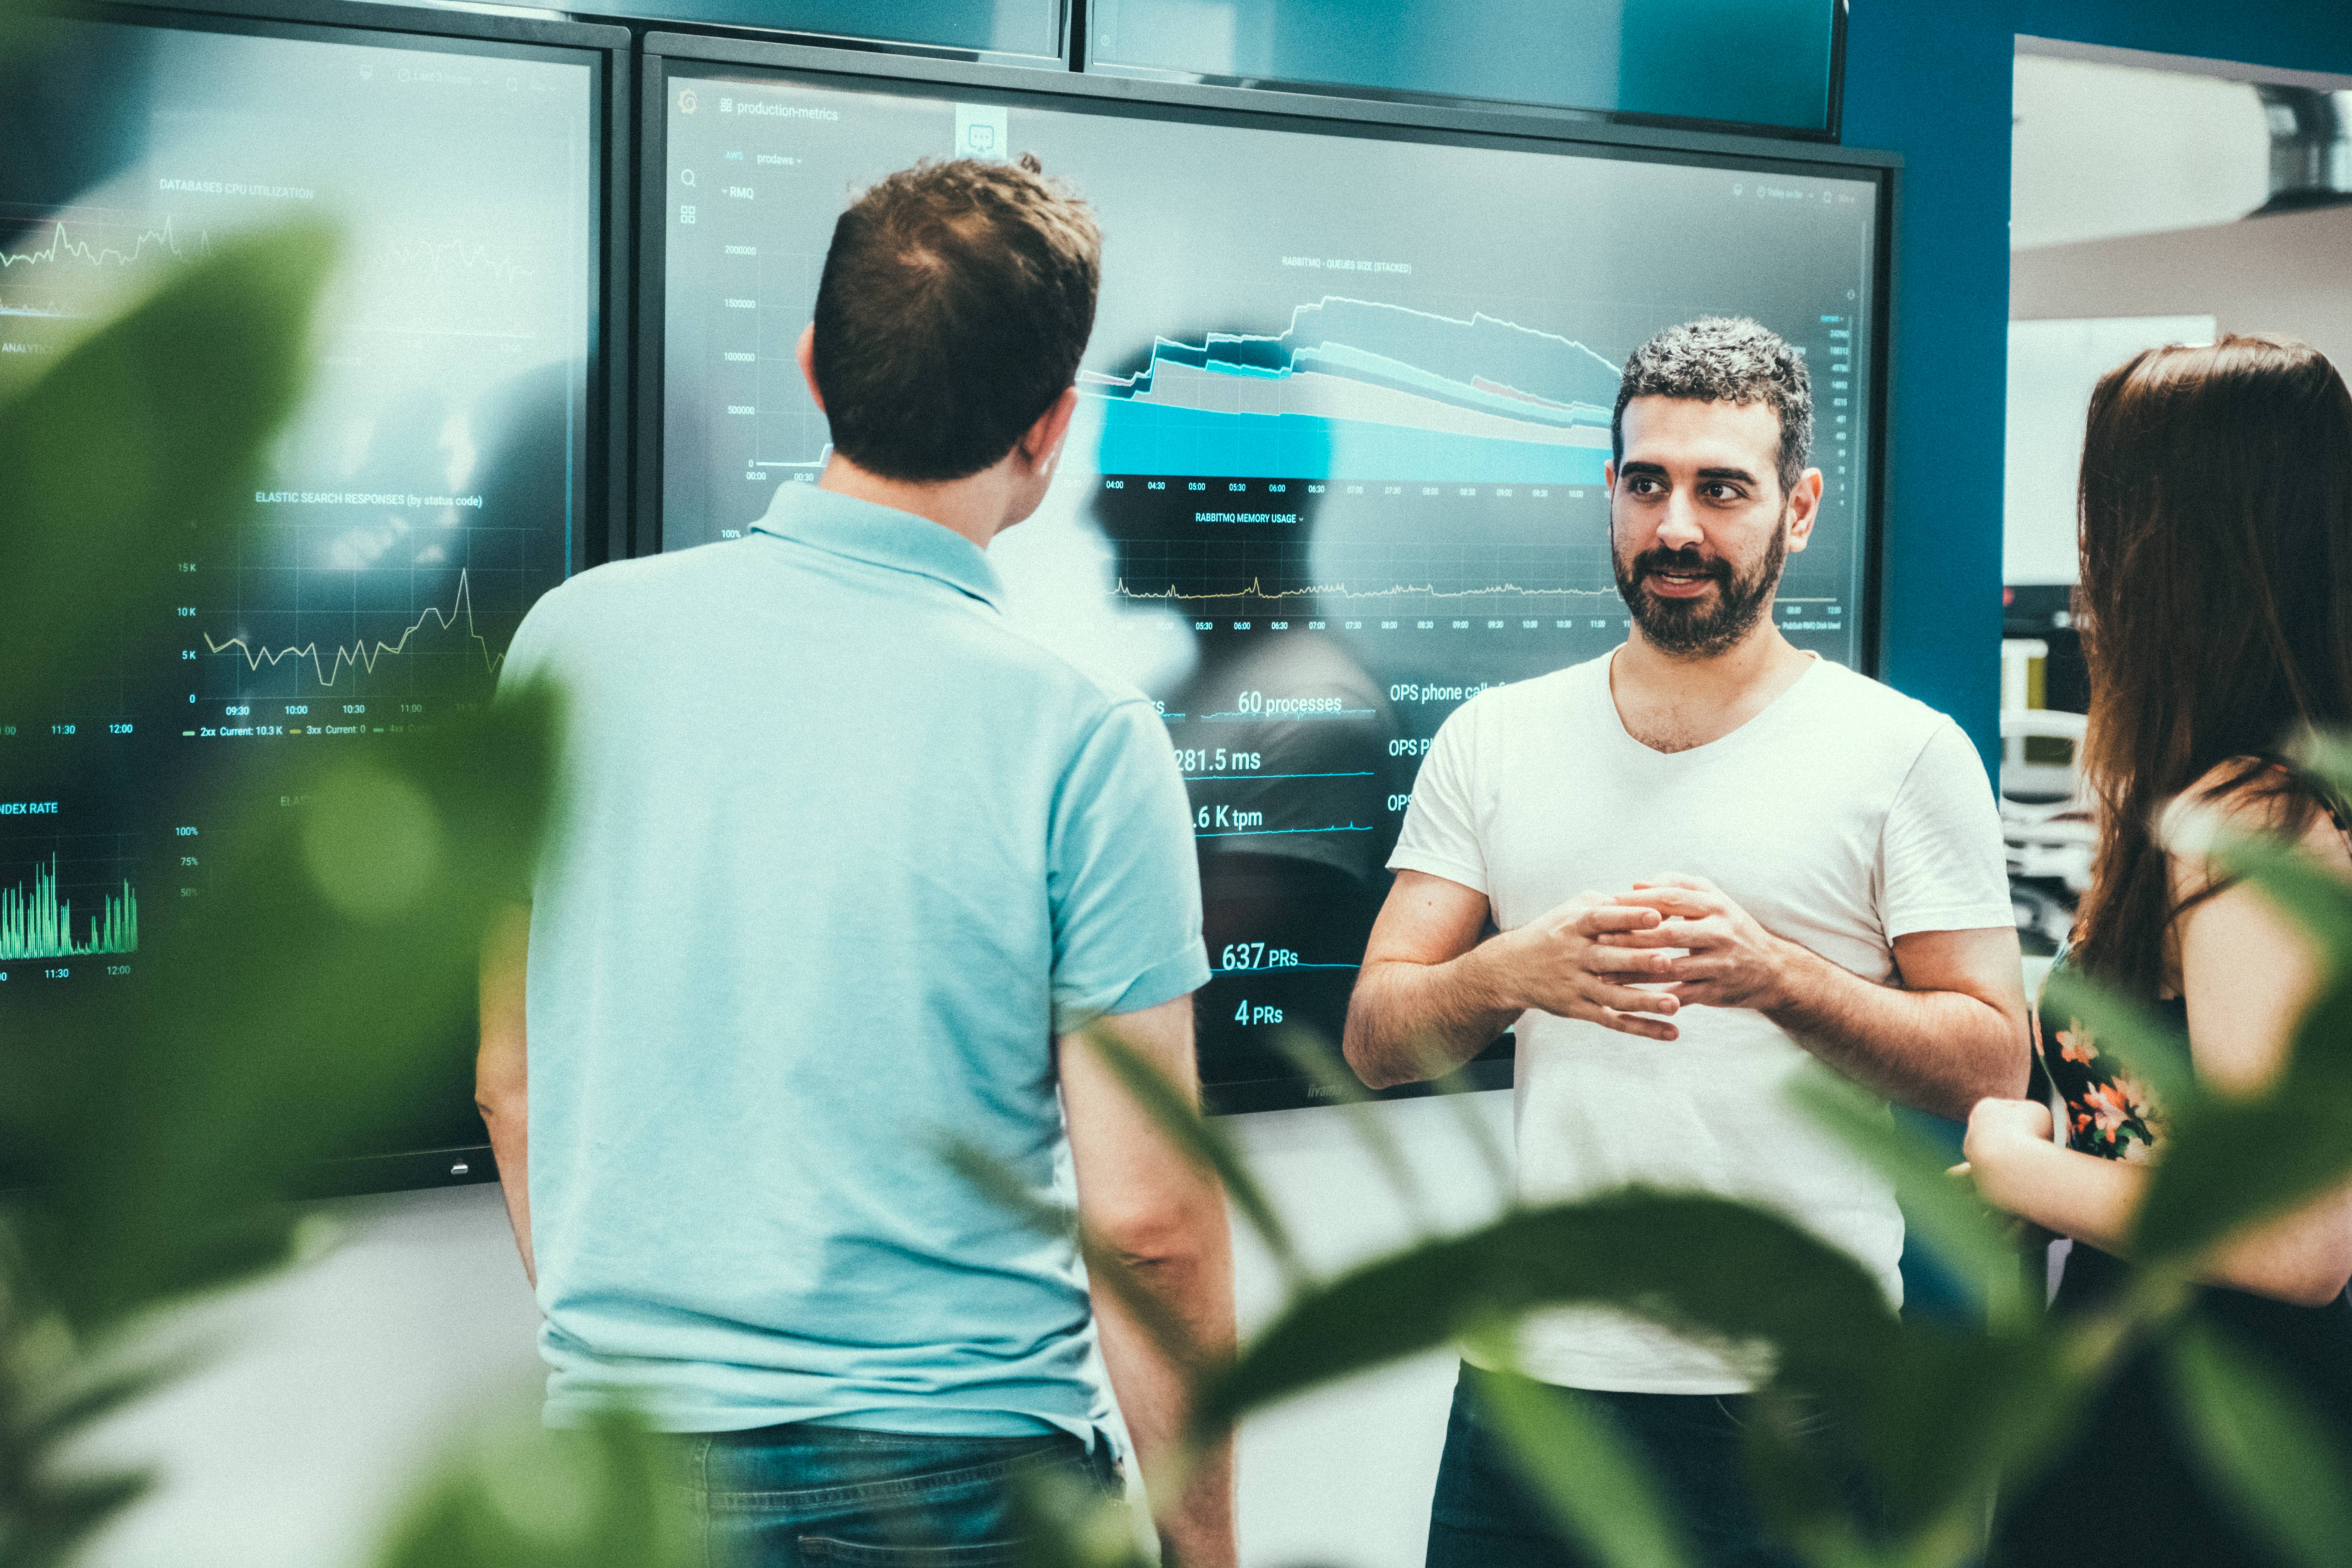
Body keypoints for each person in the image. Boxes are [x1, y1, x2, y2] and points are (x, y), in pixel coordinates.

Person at [474, 157, 1237, 1568]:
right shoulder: (1083, 737)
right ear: (1051, 428)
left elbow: (511, 1088)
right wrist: (1208, 1551)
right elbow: (1148, 1225)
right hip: (955, 1494)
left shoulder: (568, 643)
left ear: (815, 367)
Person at [1341, 315, 2030, 1568]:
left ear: (1800, 508)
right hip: (1534, 1390)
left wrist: (1779, 979)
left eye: (1723, 490)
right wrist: (1510, 972)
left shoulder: (1903, 754)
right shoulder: (1494, 740)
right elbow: (1379, 1036)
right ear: (1608, 492)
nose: (1677, 528)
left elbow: (1992, 1059)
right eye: (1648, 484)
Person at [1968, 335, 2352, 1566]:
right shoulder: (2248, 793)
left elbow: (2297, 1244)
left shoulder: (2253, 820)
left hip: (2208, 1436)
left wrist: (2017, 1159)